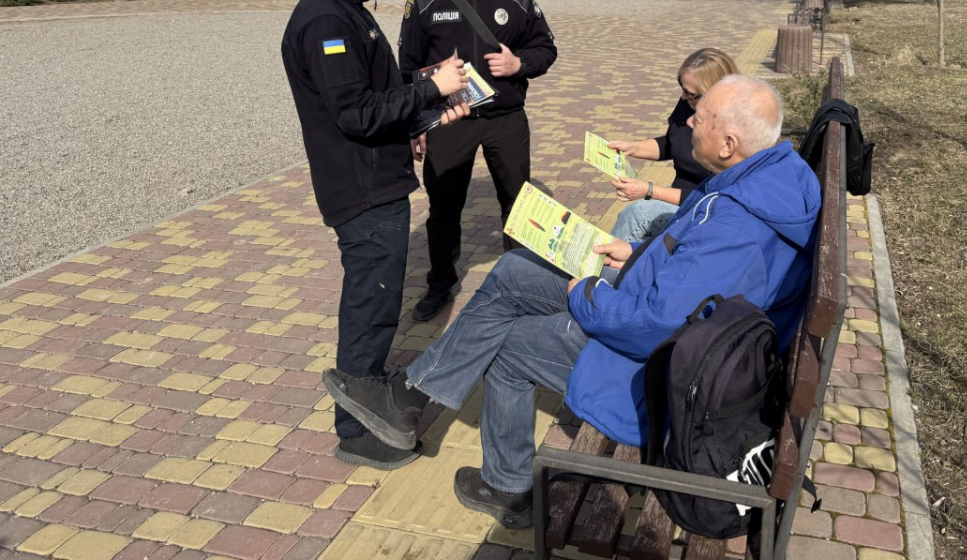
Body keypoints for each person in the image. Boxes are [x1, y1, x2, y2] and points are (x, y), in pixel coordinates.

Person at [322, 75, 821, 528]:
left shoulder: (737, 228)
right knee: (516, 269)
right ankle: (412, 397)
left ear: (730, 143)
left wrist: (587, 294)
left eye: (700, 117)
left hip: (668, 372)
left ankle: (508, 486)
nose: (688, 121)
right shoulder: (769, 175)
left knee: (508, 347)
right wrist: (636, 253)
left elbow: (657, 325)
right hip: (673, 314)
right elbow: (692, 261)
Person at [281, 0, 470, 471]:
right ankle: (355, 430)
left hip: (377, 180)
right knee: (371, 304)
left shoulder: (348, 8)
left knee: (379, 301)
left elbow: (374, 102)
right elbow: (355, 114)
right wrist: (430, 91)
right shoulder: (325, 20)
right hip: (361, 192)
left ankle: (366, 391)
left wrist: (421, 114)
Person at [398, 0, 558, 322]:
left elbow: (546, 49)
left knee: (518, 204)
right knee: (444, 207)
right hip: (450, 120)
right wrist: (415, 125)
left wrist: (519, 64)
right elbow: (408, 66)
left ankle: (522, 284)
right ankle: (441, 283)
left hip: (505, 118)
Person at [607, 47, 738, 243]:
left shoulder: (730, 129)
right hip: (676, 197)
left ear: (715, 93)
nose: (685, 97)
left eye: (692, 94)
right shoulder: (689, 103)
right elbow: (673, 142)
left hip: (702, 209)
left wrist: (650, 191)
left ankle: (595, 268)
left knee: (638, 215)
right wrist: (632, 148)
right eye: (682, 88)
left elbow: (712, 197)